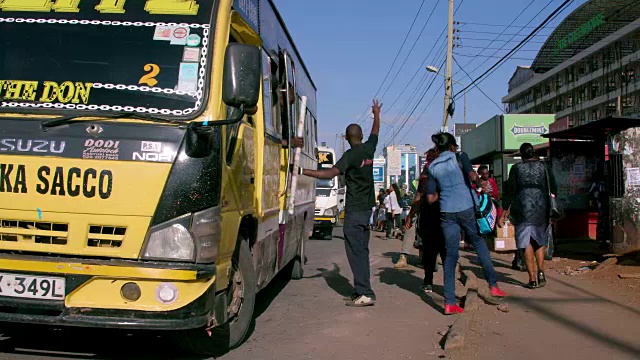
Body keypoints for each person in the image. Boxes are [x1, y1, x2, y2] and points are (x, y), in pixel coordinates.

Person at [298, 99, 382, 307]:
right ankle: (362, 290)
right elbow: (375, 131)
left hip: (354, 212)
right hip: (366, 211)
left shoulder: (350, 155)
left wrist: (302, 171)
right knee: (361, 252)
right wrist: (376, 114)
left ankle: (365, 293)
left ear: (346, 137)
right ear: (360, 136)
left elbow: (328, 173)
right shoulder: (369, 149)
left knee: (356, 254)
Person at [425, 132, 507, 315]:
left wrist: (444, 192)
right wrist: (480, 184)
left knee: (450, 256)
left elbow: (430, 198)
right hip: (466, 208)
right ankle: (493, 285)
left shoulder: (433, 167)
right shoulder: (459, 157)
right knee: (478, 243)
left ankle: (449, 302)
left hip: (447, 212)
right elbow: (472, 176)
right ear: (453, 146)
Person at [499, 143, 557, 289]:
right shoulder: (544, 167)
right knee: (540, 241)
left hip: (523, 208)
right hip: (541, 206)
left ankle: (531, 278)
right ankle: (541, 272)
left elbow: (510, 191)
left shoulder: (517, 168)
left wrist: (505, 209)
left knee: (526, 243)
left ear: (522, 155)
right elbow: (554, 187)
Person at [405, 148, 445, 293]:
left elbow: (419, 196)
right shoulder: (451, 171)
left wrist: (411, 215)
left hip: (430, 216)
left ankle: (428, 282)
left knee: (429, 250)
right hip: (447, 215)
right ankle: (449, 285)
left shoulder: (427, 172)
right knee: (447, 251)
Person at [589, 170, 610, 249]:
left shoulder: (597, 184)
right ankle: (604, 240)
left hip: (601, 207)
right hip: (604, 207)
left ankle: (603, 240)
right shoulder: (604, 184)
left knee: (602, 223)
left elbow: (591, 192)